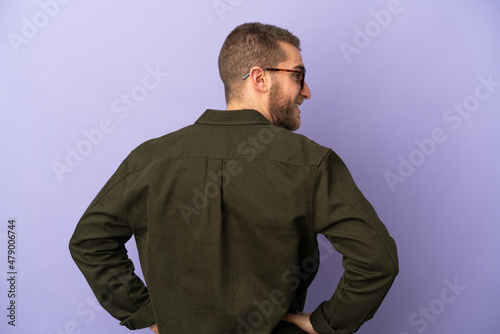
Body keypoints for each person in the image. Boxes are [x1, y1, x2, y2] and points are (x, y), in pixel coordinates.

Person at [69, 22, 398, 334]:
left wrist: (146, 314)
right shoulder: (310, 162)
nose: (306, 91)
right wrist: (327, 323)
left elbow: (89, 240)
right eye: (298, 75)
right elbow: (377, 260)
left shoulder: (151, 159)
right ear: (259, 78)